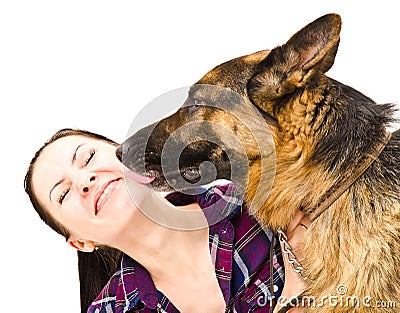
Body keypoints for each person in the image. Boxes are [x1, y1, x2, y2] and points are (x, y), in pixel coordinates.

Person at [24, 128, 309, 313]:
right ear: (82, 243)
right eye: (63, 194)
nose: (84, 181)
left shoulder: (260, 200)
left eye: (88, 158)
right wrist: (293, 295)